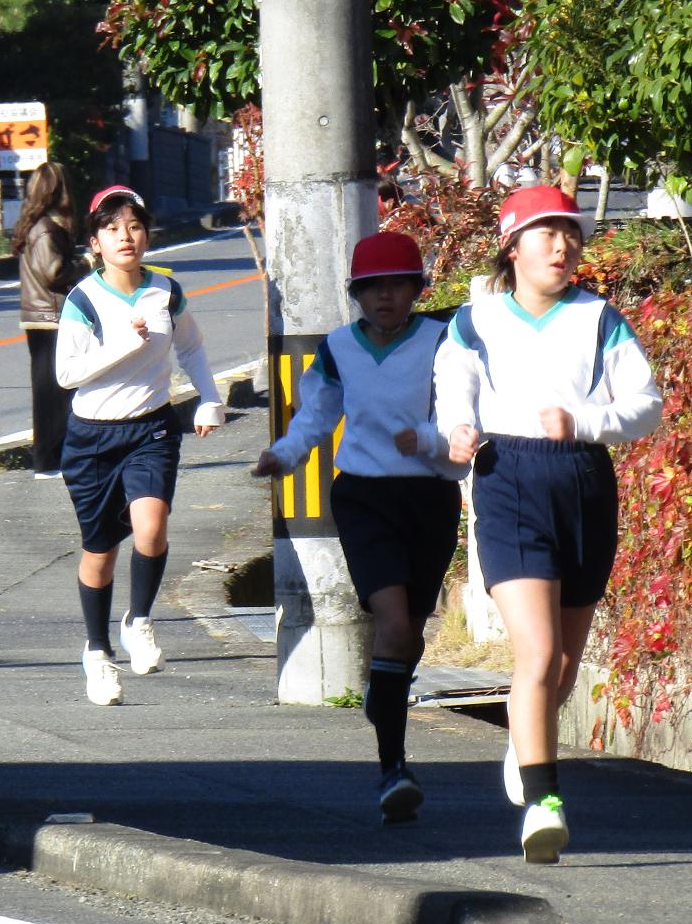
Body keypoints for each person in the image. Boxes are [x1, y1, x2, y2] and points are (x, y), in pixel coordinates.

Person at [435, 184, 662, 864]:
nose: (561, 246)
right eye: (545, 233)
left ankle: (522, 742)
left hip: (584, 481)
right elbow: (453, 391)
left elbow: (645, 405)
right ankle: (544, 800)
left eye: (569, 234)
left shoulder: (599, 318)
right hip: (506, 478)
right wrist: (455, 433)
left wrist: (584, 423)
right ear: (512, 246)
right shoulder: (475, 320)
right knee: (536, 654)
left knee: (563, 661)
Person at [251, 232, 465, 824]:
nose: (384, 297)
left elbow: (461, 410)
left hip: (430, 494)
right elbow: (316, 418)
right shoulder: (337, 348)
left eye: (397, 284)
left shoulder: (443, 340)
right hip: (365, 496)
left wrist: (432, 442)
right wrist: (284, 455)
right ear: (356, 295)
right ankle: (392, 768)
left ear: (419, 289)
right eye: (371, 287)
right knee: (393, 622)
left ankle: (383, 690)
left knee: (410, 634)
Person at [55, 185, 226, 705]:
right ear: (96, 242)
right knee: (100, 553)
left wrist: (209, 399)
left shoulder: (165, 292)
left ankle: (141, 620)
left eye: (133, 226)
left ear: (147, 234)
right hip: (91, 437)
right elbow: (66, 374)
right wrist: (125, 344)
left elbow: (191, 347)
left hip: (150, 428)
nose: (125, 237)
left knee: (151, 527)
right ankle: (97, 652)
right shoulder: (83, 299)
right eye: (112, 229)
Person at [11, 162, 84, 479]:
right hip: (50, 316)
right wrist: (87, 262)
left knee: (51, 390)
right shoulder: (46, 229)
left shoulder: (36, 224)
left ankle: (52, 457)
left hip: (42, 316)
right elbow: (54, 272)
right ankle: (49, 459)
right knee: (54, 391)